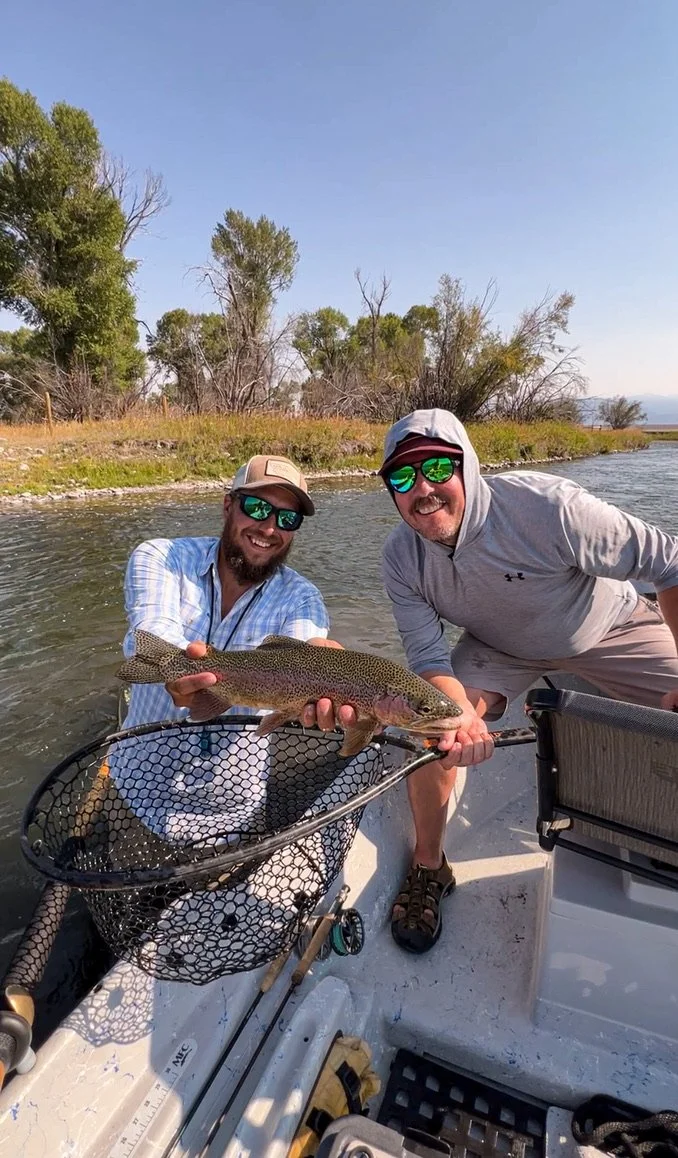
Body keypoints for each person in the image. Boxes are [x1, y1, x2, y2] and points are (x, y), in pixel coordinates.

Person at [121, 453, 339, 728]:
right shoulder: (163, 557)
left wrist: (321, 667)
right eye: (257, 508)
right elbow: (150, 634)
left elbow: (303, 653)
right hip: (144, 765)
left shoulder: (302, 599)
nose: (270, 528)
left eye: (288, 519)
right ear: (228, 506)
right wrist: (184, 670)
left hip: (238, 770)